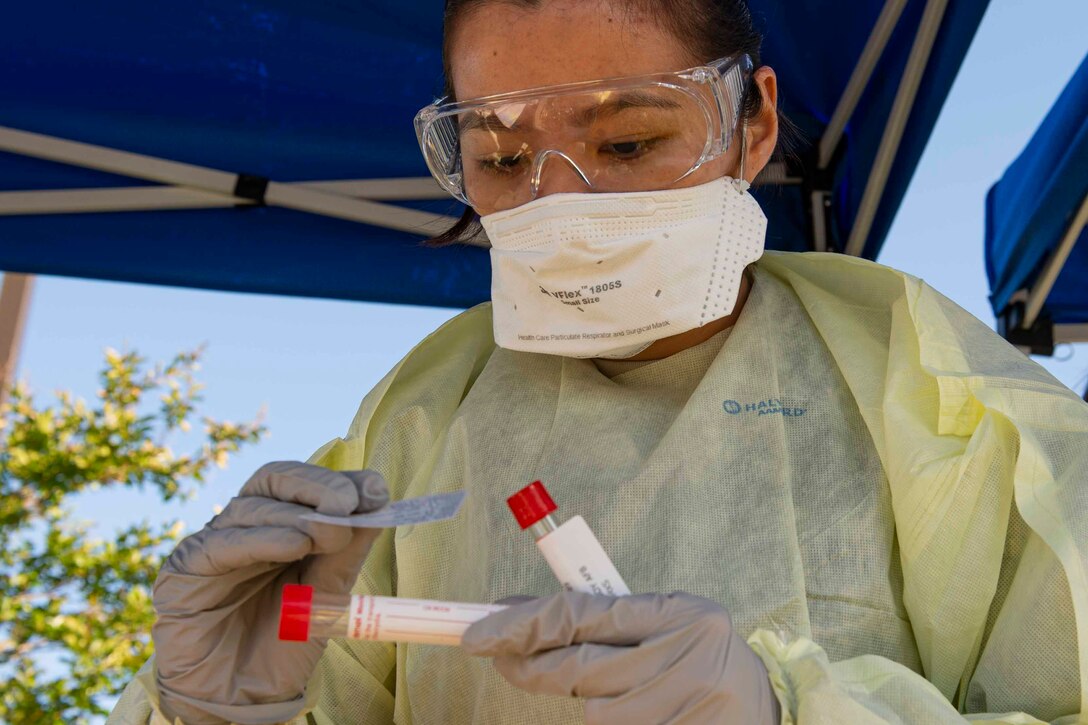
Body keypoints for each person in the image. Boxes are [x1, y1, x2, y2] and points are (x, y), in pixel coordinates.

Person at [109, 1, 1087, 723]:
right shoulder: (415, 422)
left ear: (751, 123)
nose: (560, 204)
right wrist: (209, 711)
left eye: (626, 139)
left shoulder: (935, 398)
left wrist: (794, 711)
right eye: (498, 158)